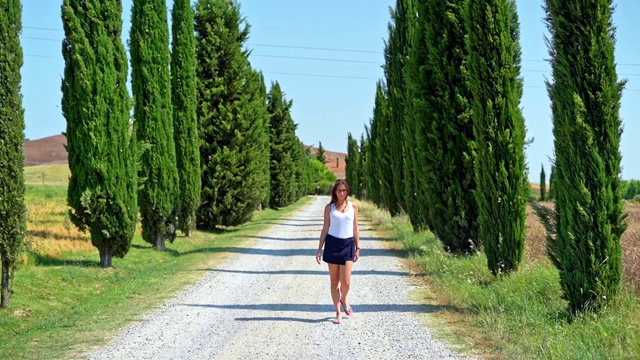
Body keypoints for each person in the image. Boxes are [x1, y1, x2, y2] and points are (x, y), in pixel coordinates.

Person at [316, 179, 360, 324]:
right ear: (335, 192)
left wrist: (358, 247)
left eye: (344, 190)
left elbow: (355, 228)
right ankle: (338, 313)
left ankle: (344, 298)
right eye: (339, 190)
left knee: (346, 282)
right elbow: (325, 228)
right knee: (334, 281)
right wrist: (319, 249)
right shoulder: (330, 208)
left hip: (348, 245)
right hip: (332, 244)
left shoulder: (353, 206)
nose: (342, 193)